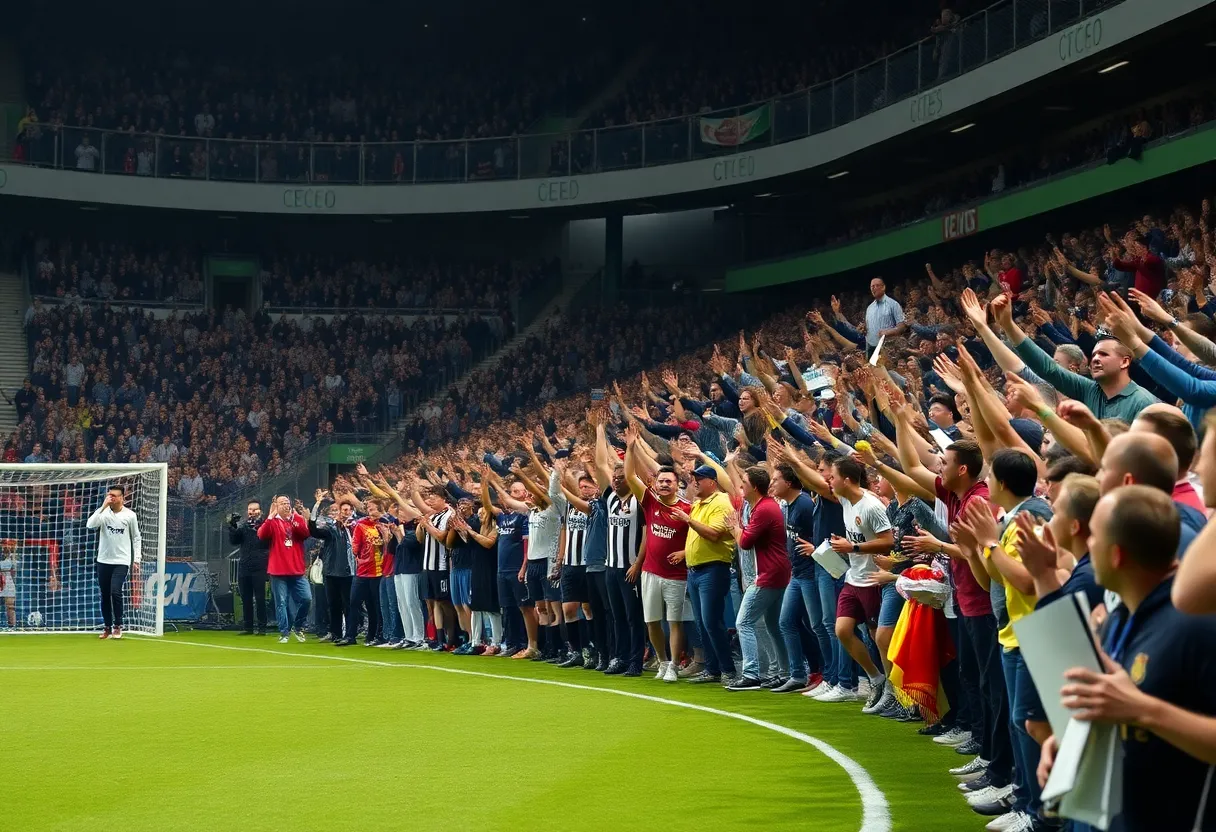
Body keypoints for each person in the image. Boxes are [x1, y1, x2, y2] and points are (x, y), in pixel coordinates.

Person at [1040, 486, 1216, 832]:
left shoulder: (1197, 627)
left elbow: (1135, 707)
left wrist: (1143, 710)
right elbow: (1114, 706)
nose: (1088, 545)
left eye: (1096, 537)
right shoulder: (1120, 614)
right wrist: (1066, 740)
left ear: (1117, 555)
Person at [824, 456, 896, 713]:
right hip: (853, 578)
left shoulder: (871, 506)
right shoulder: (846, 499)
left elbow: (888, 541)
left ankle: (892, 689)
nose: (828, 481)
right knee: (842, 630)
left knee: (879, 637)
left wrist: (852, 546)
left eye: (832, 476)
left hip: (873, 579)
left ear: (846, 480)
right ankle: (876, 678)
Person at [624, 447, 691, 684]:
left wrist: (685, 551)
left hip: (676, 575)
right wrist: (631, 448)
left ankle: (673, 664)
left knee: (674, 621)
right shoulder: (650, 502)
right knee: (651, 621)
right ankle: (662, 661)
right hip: (650, 573)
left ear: (677, 485)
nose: (664, 485)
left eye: (669, 481)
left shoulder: (686, 509)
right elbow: (630, 476)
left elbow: (699, 537)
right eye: (661, 481)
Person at [725, 465, 791, 691]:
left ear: (754, 486)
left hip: (768, 574)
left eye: (744, 481)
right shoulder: (762, 507)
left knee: (743, 622)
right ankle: (784, 672)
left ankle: (752, 674)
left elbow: (744, 542)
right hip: (776, 571)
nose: (741, 484)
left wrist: (734, 527)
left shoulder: (763, 509)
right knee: (773, 624)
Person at [672, 463, 736, 684]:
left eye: (699, 478)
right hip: (696, 570)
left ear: (712, 482)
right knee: (702, 622)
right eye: (694, 478)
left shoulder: (720, 502)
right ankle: (713, 669)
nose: (695, 482)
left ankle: (727, 669)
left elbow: (715, 534)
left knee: (711, 621)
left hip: (713, 568)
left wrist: (688, 519)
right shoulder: (699, 503)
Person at [86, 485, 142, 640]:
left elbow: (136, 538)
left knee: (115, 592)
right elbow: (90, 525)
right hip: (103, 560)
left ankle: (118, 625)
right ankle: (107, 627)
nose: (112, 498)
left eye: (115, 496)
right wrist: (102, 507)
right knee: (104, 595)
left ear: (122, 498)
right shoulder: (103, 514)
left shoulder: (130, 516)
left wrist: (136, 558)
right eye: (110, 495)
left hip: (121, 560)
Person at [256, 495, 312, 643]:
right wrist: (270, 516)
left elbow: (305, 534)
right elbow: (261, 535)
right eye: (282, 503)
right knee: (281, 602)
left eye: (287, 503)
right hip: (278, 570)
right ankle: (284, 632)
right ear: (276, 506)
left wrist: (295, 520)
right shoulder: (273, 522)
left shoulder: (297, 519)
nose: (286, 506)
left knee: (307, 598)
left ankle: (298, 626)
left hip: (297, 569)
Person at [308, 496, 356, 645]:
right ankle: (336, 634)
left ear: (352, 512)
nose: (345, 513)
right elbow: (313, 530)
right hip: (331, 572)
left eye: (347, 510)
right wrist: (316, 505)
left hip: (348, 573)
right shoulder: (331, 529)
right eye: (342, 510)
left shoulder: (356, 527)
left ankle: (350, 635)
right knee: (334, 605)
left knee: (349, 605)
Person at [228, 498, 269, 635]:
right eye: (250, 510)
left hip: (260, 565)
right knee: (246, 598)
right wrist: (232, 525)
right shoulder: (244, 526)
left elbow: (267, 542)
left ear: (260, 511)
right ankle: (248, 627)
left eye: (255, 509)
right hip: (245, 565)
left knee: (260, 598)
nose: (252, 512)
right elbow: (234, 541)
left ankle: (262, 627)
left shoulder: (265, 525)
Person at [864, 277, 906, 349]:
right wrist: (863, 329)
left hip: (889, 347)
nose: (874, 288)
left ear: (883, 287)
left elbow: (902, 327)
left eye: (877, 285)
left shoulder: (893, 304)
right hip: (870, 347)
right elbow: (867, 328)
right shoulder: (869, 308)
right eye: (872, 286)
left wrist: (888, 332)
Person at [1, 539, 18, 629]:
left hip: (7, 580)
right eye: (3, 544)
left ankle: (12, 627)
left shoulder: (12, 556)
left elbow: (15, 569)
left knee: (10, 606)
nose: (5, 546)